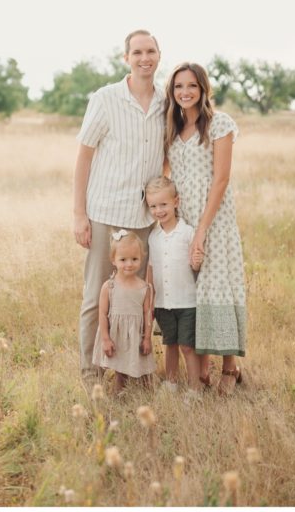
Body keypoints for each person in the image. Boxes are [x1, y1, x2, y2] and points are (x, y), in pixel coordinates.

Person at [74, 30, 165, 380]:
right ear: (126, 57)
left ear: (159, 55)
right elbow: (83, 156)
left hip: (144, 219)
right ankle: (90, 371)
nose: (145, 58)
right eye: (138, 52)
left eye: (151, 51)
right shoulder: (105, 98)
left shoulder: (164, 103)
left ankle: (130, 370)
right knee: (98, 296)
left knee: (136, 300)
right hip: (104, 214)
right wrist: (79, 214)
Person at [164, 62, 247, 395]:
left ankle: (231, 367)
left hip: (213, 219)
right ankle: (202, 369)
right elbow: (167, 173)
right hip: (182, 218)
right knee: (193, 294)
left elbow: (221, 179)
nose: (185, 92)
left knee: (217, 288)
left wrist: (201, 231)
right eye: (179, 86)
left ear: (203, 89)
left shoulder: (219, 124)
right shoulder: (172, 128)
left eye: (192, 86)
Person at [144, 176, 202, 393]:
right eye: (153, 206)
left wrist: (196, 263)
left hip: (186, 302)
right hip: (163, 303)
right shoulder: (153, 237)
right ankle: (171, 383)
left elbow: (195, 268)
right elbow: (150, 269)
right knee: (170, 344)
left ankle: (194, 389)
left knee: (187, 346)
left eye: (163, 204)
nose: (159, 210)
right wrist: (150, 300)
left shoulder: (187, 233)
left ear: (176, 202)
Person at [92, 230, 156, 393]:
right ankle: (118, 396)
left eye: (134, 259)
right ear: (113, 259)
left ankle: (146, 395)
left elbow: (148, 314)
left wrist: (147, 338)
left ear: (141, 259)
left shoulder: (144, 287)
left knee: (144, 374)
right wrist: (105, 339)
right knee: (120, 372)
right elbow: (102, 314)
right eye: (123, 259)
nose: (129, 264)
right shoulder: (109, 286)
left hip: (137, 337)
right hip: (117, 337)